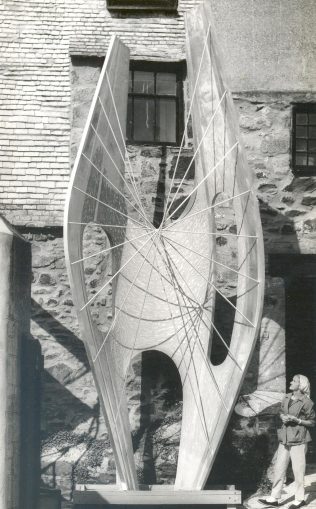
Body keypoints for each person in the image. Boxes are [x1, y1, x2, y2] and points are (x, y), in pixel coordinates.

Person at [259, 374, 315, 509]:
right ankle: (274, 498)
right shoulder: (287, 397)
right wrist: (282, 417)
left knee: (298, 470)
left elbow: (313, 422)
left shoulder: (307, 402)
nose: (291, 382)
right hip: (284, 438)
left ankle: (300, 499)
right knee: (279, 468)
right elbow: (281, 412)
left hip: (299, 440)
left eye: (294, 381)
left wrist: (298, 420)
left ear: (301, 385)